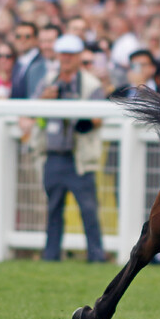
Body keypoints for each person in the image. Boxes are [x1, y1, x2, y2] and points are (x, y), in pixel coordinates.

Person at [31, 34, 107, 262]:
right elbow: (34, 112)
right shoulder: (48, 82)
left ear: (78, 57)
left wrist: (78, 115)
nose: (66, 58)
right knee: (53, 208)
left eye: (71, 54)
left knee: (88, 209)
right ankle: (51, 255)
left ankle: (96, 255)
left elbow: (97, 118)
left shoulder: (91, 84)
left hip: (78, 155)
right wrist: (45, 100)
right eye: (63, 54)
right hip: (53, 153)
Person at [10, 22, 46, 99]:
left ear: (36, 39)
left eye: (27, 37)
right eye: (18, 36)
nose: (22, 40)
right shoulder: (17, 62)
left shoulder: (41, 63)